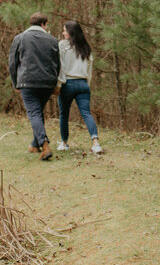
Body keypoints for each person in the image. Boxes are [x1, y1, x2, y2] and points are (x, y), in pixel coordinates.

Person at [8, 12, 61, 161]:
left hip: (27, 82)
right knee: (37, 113)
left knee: (34, 114)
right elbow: (57, 64)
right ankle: (34, 145)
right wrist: (54, 82)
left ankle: (45, 146)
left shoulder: (20, 38)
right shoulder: (52, 40)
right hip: (47, 83)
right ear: (44, 24)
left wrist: (15, 82)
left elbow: (12, 63)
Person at [55, 20, 103, 154]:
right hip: (83, 84)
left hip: (67, 83)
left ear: (70, 32)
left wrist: (59, 84)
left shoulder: (62, 46)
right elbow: (89, 68)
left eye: (64, 30)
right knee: (87, 114)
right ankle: (96, 143)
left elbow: (60, 67)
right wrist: (87, 85)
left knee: (64, 115)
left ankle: (64, 143)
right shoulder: (85, 47)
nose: (63, 32)